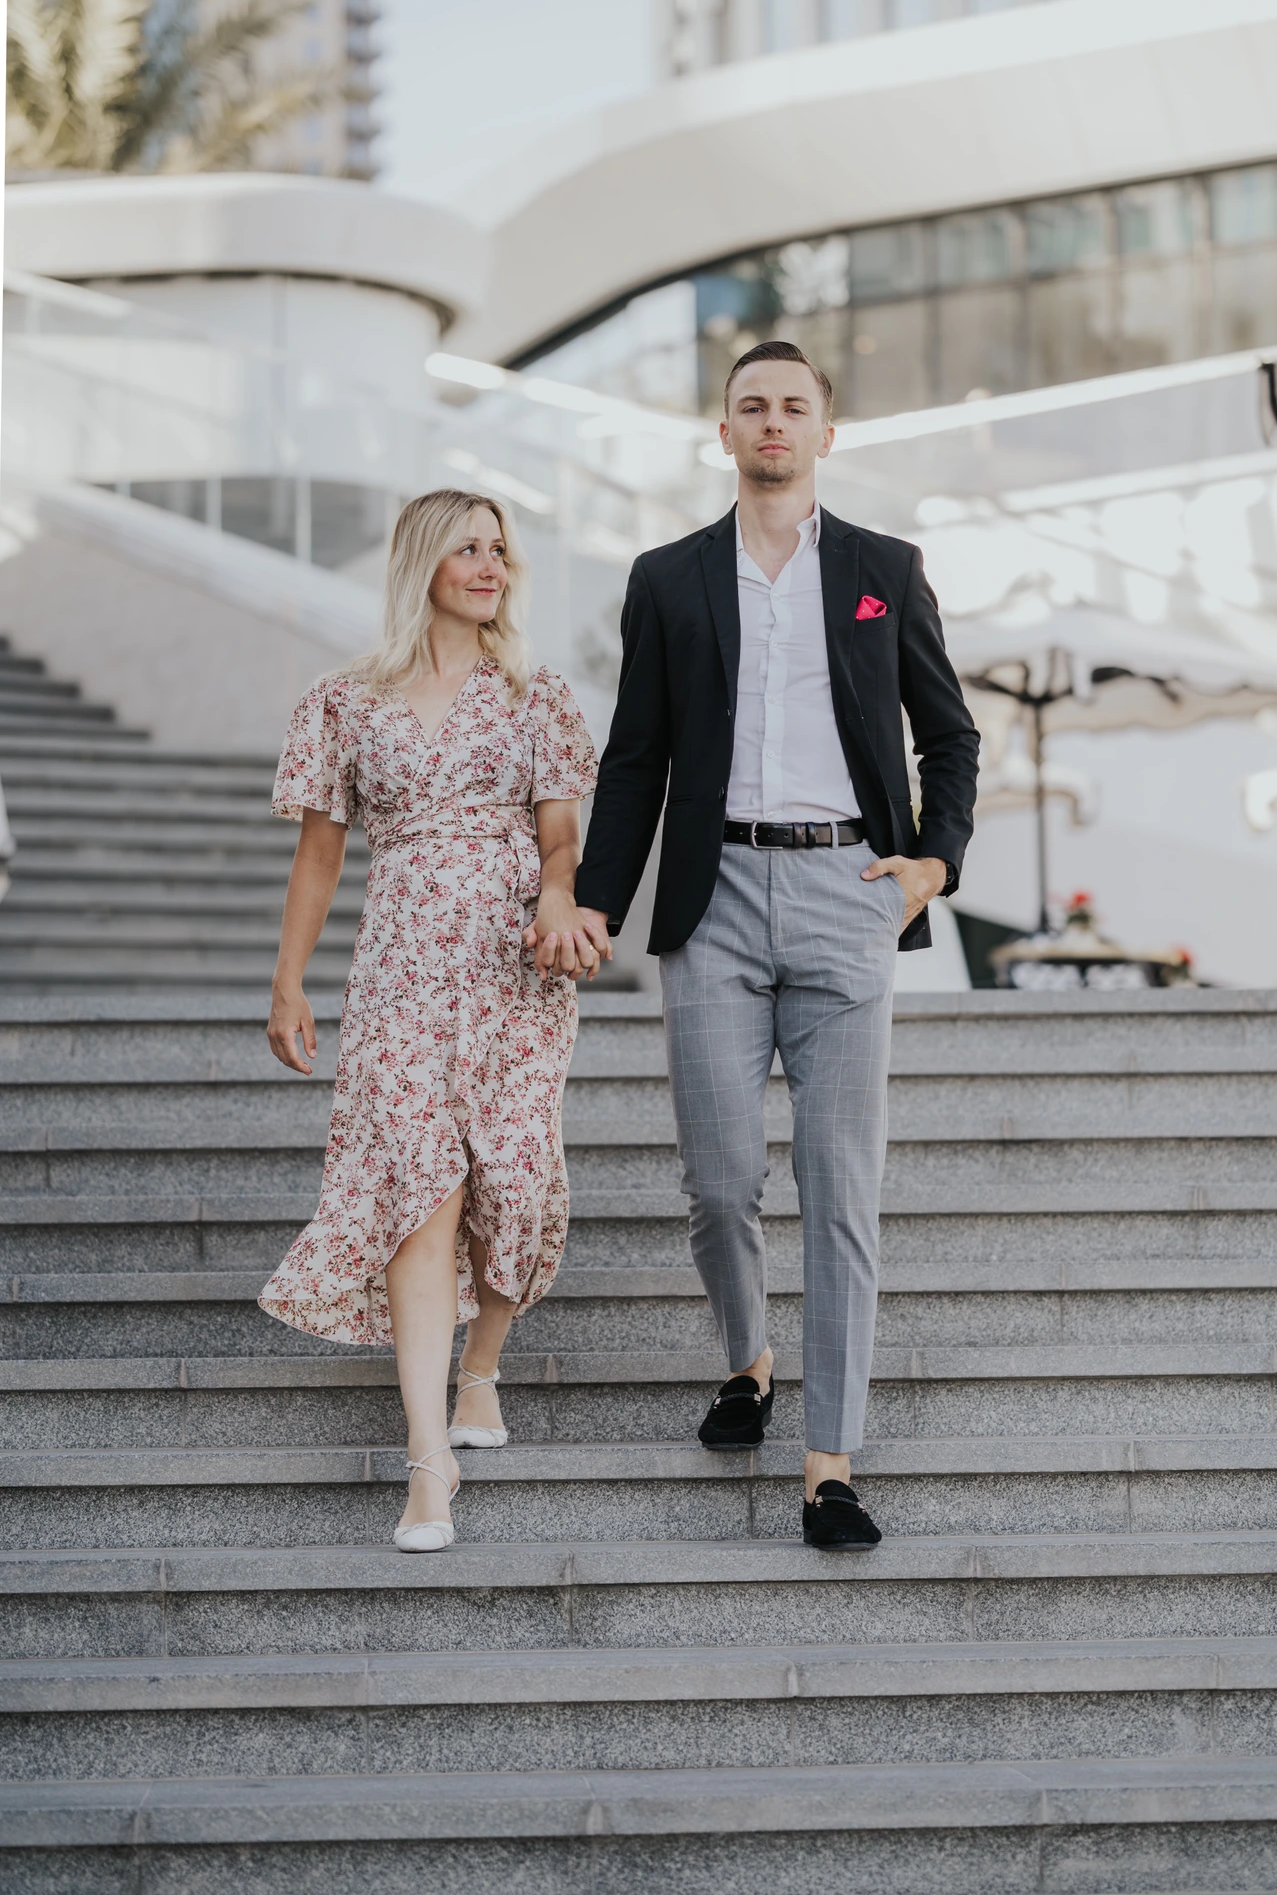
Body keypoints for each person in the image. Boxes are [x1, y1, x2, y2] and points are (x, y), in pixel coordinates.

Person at [574, 341, 979, 1549]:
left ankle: (829, 1462)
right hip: (711, 897)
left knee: (839, 1184)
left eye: (792, 407)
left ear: (824, 434)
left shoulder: (881, 570)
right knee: (716, 1182)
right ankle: (746, 1363)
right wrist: (598, 896)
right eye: (751, 406)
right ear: (723, 433)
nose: (771, 424)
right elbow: (635, 752)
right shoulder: (665, 577)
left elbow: (947, 735)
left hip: (847, 886)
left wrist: (932, 862)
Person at [262, 488, 600, 1553]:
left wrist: (555, 895)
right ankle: (426, 1462)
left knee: (513, 1172)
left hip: (512, 966)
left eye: (500, 549)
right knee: (419, 1189)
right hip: (401, 968)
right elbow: (320, 853)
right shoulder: (344, 700)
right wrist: (287, 979)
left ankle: (482, 1367)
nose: (491, 564)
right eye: (468, 547)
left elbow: (560, 839)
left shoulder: (534, 693)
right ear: (423, 563)